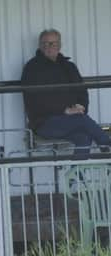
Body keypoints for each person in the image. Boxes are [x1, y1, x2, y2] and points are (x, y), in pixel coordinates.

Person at [21, 29, 110, 159]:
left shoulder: (69, 67)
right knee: (82, 120)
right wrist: (65, 110)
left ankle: (76, 178)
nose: (48, 47)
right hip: (44, 123)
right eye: (44, 43)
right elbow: (35, 100)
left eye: (52, 43)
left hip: (70, 121)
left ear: (59, 45)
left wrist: (81, 106)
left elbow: (82, 91)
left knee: (84, 138)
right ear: (39, 45)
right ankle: (106, 146)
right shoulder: (32, 68)